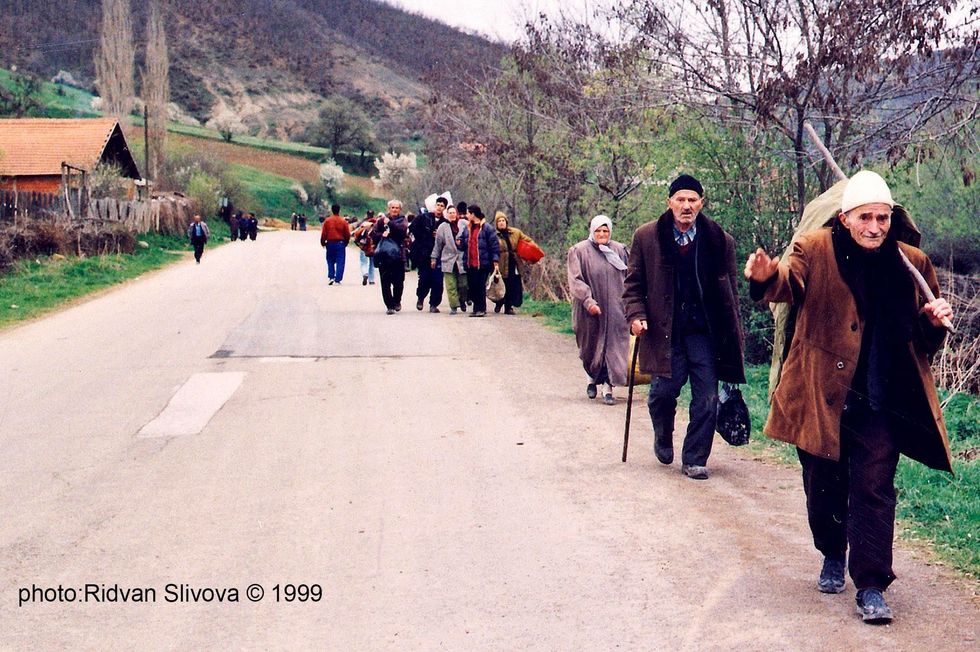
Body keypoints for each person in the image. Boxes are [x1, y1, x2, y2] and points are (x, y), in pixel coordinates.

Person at [744, 170, 954, 624]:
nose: (875, 227)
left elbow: (922, 335)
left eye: (882, 218)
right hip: (821, 394)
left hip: (881, 396)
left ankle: (873, 584)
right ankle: (831, 553)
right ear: (845, 218)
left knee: (874, 488)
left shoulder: (911, 261)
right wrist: (766, 277)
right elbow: (788, 282)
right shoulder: (815, 249)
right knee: (823, 484)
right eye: (866, 218)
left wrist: (934, 322)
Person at [623, 174, 745, 480]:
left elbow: (731, 291)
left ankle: (694, 458)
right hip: (665, 331)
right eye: (681, 199)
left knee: (707, 399)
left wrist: (733, 333)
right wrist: (636, 315)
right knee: (663, 393)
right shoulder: (647, 236)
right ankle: (663, 435)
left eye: (693, 200)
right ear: (669, 203)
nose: (686, 206)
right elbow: (633, 284)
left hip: (705, 333)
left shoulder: (720, 240)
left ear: (702, 204)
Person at [567, 215, 630, 405]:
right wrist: (588, 301)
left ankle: (608, 389)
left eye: (605, 231)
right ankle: (591, 378)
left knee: (614, 348)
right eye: (598, 231)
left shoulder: (619, 250)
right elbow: (575, 280)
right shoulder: (579, 251)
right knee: (590, 347)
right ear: (592, 231)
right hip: (589, 310)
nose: (602, 234)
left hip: (616, 309)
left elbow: (631, 276)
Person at [492, 211, 538, 315]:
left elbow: (527, 240)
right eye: (499, 221)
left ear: (506, 222)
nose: (501, 223)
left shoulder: (515, 233)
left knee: (512, 284)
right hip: (500, 263)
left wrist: (532, 249)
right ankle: (499, 302)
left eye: (503, 220)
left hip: (513, 262)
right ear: (496, 223)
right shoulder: (493, 235)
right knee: (500, 284)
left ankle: (509, 307)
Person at [458, 204, 499, 317]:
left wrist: (495, 260)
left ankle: (481, 309)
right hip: (470, 263)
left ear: (473, 214)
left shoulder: (487, 228)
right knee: (472, 286)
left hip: (483, 263)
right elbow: (462, 244)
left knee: (480, 286)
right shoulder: (467, 228)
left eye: (468, 213)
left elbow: (494, 245)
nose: (466, 215)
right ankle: (476, 309)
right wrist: (460, 243)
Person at [371, 199, 410, 314]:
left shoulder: (402, 220)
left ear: (400, 209)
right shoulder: (380, 221)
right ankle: (390, 306)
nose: (394, 210)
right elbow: (373, 234)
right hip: (384, 256)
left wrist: (390, 224)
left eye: (397, 208)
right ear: (389, 209)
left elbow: (402, 232)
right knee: (385, 281)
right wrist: (381, 235)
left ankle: (397, 301)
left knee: (399, 281)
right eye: (392, 208)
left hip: (398, 256)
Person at [410, 196, 447, 312]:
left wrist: (439, 236)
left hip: (439, 256)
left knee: (437, 281)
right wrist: (425, 235)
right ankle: (420, 297)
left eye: (442, 206)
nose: (439, 208)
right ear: (435, 205)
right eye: (438, 205)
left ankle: (434, 304)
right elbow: (413, 228)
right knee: (424, 279)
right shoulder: (424, 218)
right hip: (424, 254)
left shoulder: (445, 223)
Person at [431, 204, 467, 314]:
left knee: (463, 284)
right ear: (446, 214)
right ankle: (453, 306)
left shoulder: (464, 224)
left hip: (461, 259)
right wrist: (433, 258)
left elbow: (470, 240)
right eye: (449, 213)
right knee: (450, 285)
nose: (452, 215)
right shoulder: (442, 227)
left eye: (453, 213)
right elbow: (438, 244)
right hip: (448, 259)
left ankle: (462, 300)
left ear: (457, 214)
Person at [320, 203, 351, 285]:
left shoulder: (327, 221)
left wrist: (323, 242)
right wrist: (346, 242)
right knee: (340, 261)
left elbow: (324, 233)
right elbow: (347, 234)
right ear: (339, 210)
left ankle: (331, 277)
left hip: (330, 243)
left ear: (332, 210)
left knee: (330, 260)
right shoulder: (343, 221)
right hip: (340, 243)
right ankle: (338, 279)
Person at [352, 210, 378, 285]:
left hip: (364, 246)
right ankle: (371, 280)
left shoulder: (363, 223)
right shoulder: (376, 223)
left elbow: (356, 233)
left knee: (364, 262)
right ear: (373, 214)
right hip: (373, 247)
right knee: (372, 264)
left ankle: (365, 273)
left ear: (367, 214)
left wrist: (358, 244)